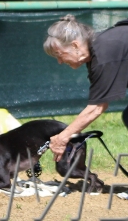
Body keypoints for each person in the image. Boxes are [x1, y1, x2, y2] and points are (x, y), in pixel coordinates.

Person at [44, 14, 128, 162]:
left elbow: (96, 107)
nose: (59, 61)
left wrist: (63, 137)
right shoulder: (98, 50)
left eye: (59, 54)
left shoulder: (103, 54)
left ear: (75, 46)